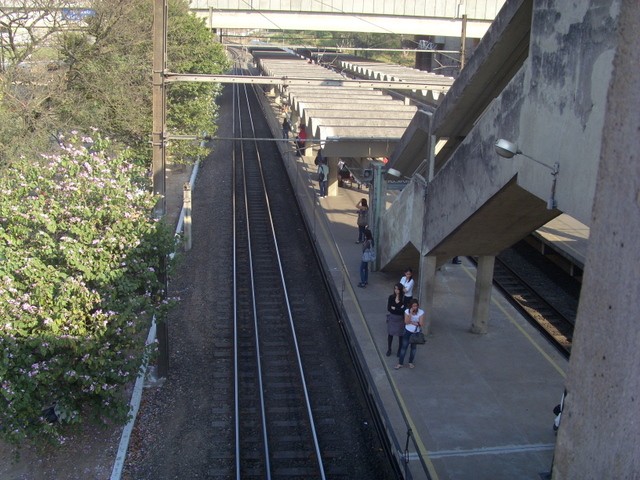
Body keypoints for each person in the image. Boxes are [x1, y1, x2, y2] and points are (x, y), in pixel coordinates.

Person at [395, 299, 425, 370]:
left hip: (415, 333)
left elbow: (421, 323)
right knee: (404, 347)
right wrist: (411, 314)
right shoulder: (407, 311)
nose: (415, 307)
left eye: (416, 306)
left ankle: (410, 362)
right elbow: (406, 322)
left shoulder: (421, 312)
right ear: (411, 306)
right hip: (407, 332)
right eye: (413, 306)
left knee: (413, 348)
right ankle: (400, 363)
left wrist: (412, 322)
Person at [386, 283, 406, 357]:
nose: (396, 290)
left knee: (400, 335)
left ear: (400, 290)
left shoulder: (403, 299)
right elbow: (389, 308)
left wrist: (395, 308)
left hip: (400, 319)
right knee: (390, 334)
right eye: (395, 288)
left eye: (397, 289)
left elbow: (403, 310)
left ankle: (399, 350)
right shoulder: (391, 297)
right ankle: (389, 349)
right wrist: (398, 309)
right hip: (392, 317)